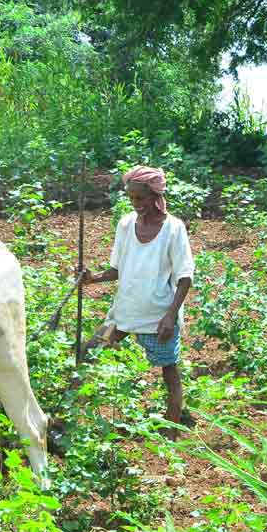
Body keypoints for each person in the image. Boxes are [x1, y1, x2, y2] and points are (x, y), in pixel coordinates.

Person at [81, 166, 195, 438]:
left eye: (141, 198)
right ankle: (64, 416)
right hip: (122, 315)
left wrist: (170, 316)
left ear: (155, 195)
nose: (136, 204)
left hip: (158, 318)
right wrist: (92, 278)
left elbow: (185, 277)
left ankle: (172, 427)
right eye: (131, 198)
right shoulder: (125, 224)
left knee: (169, 371)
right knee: (89, 351)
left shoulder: (173, 228)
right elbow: (117, 270)